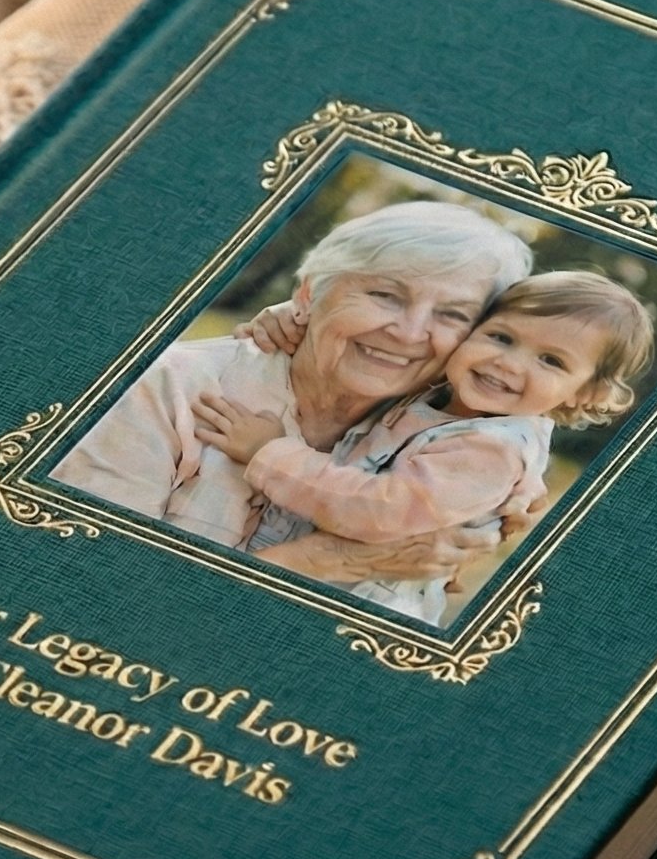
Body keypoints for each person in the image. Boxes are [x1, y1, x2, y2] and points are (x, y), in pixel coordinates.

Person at [49, 201, 533, 583]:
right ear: (306, 294)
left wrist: (515, 488)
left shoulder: (454, 445)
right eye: (384, 295)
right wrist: (331, 560)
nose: (409, 332)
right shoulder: (172, 384)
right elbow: (92, 574)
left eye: (453, 315)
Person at [193, 270, 655, 622]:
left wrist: (268, 454)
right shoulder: (450, 395)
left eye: (551, 361)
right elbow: (378, 342)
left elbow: (379, 511)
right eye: (501, 337)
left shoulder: (489, 450)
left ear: (585, 395)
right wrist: (293, 317)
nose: (506, 363)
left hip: (353, 605)